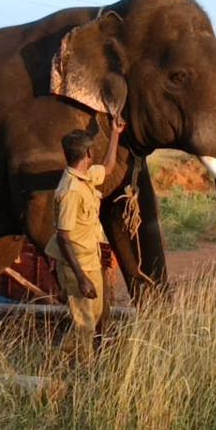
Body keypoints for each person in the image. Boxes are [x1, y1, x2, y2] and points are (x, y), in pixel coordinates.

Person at [46, 114, 126, 357]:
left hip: (91, 261)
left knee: (95, 313)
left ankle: (62, 358)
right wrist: (80, 277)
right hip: (76, 266)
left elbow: (109, 167)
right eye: (93, 152)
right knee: (85, 324)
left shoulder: (86, 177)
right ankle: (83, 372)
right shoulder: (70, 190)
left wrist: (115, 134)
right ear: (88, 155)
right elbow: (63, 236)